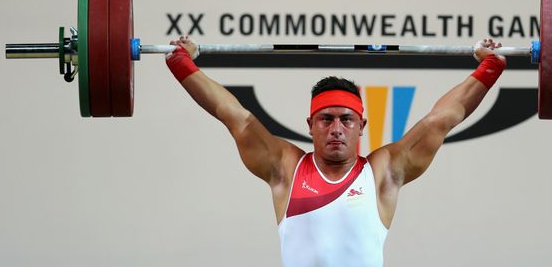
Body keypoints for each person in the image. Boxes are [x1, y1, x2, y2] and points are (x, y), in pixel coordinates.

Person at [164, 36, 507, 267]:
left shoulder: (383, 173)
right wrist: (182, 63)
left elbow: (439, 121)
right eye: (326, 119)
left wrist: (489, 67)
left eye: (346, 119)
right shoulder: (286, 168)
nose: (337, 128)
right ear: (310, 124)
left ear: (362, 125)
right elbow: (234, 116)